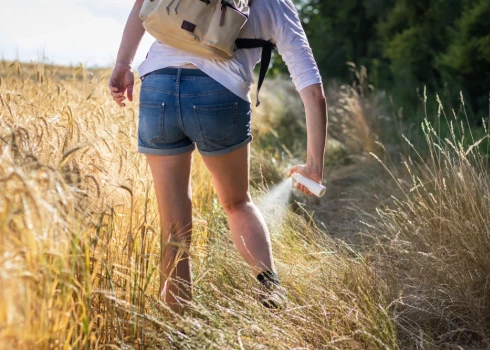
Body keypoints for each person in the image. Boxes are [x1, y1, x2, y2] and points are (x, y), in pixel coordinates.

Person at [109, 0, 327, 314]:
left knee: (172, 225)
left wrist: (123, 64)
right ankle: (270, 287)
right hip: (218, 94)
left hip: (157, 88)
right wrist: (314, 166)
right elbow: (313, 91)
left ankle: (176, 330)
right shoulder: (276, 4)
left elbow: (142, 5)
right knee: (236, 203)